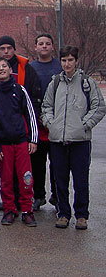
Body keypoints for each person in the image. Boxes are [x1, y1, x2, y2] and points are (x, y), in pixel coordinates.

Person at [41, 46, 106, 230]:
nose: (67, 64)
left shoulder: (87, 83)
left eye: (70, 60)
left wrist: (84, 124)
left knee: (81, 179)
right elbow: (46, 107)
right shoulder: (55, 83)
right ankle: (63, 213)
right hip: (58, 141)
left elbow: (99, 107)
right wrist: (51, 124)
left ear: (76, 61)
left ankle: (81, 215)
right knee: (59, 179)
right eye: (64, 60)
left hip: (80, 141)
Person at [0, 35, 42, 211]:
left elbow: (30, 114)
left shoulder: (21, 88)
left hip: (22, 141)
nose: (1, 69)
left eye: (9, 48)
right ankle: (9, 208)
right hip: (3, 143)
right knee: (6, 178)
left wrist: (33, 139)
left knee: (25, 177)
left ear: (11, 70)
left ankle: (26, 208)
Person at [29, 33, 61, 210]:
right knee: (37, 163)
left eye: (47, 44)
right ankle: (38, 195)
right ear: (35, 47)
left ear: (52, 47)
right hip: (38, 123)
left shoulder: (59, 67)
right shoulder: (31, 68)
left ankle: (57, 196)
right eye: (40, 43)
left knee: (57, 163)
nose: (44, 46)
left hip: (57, 123)